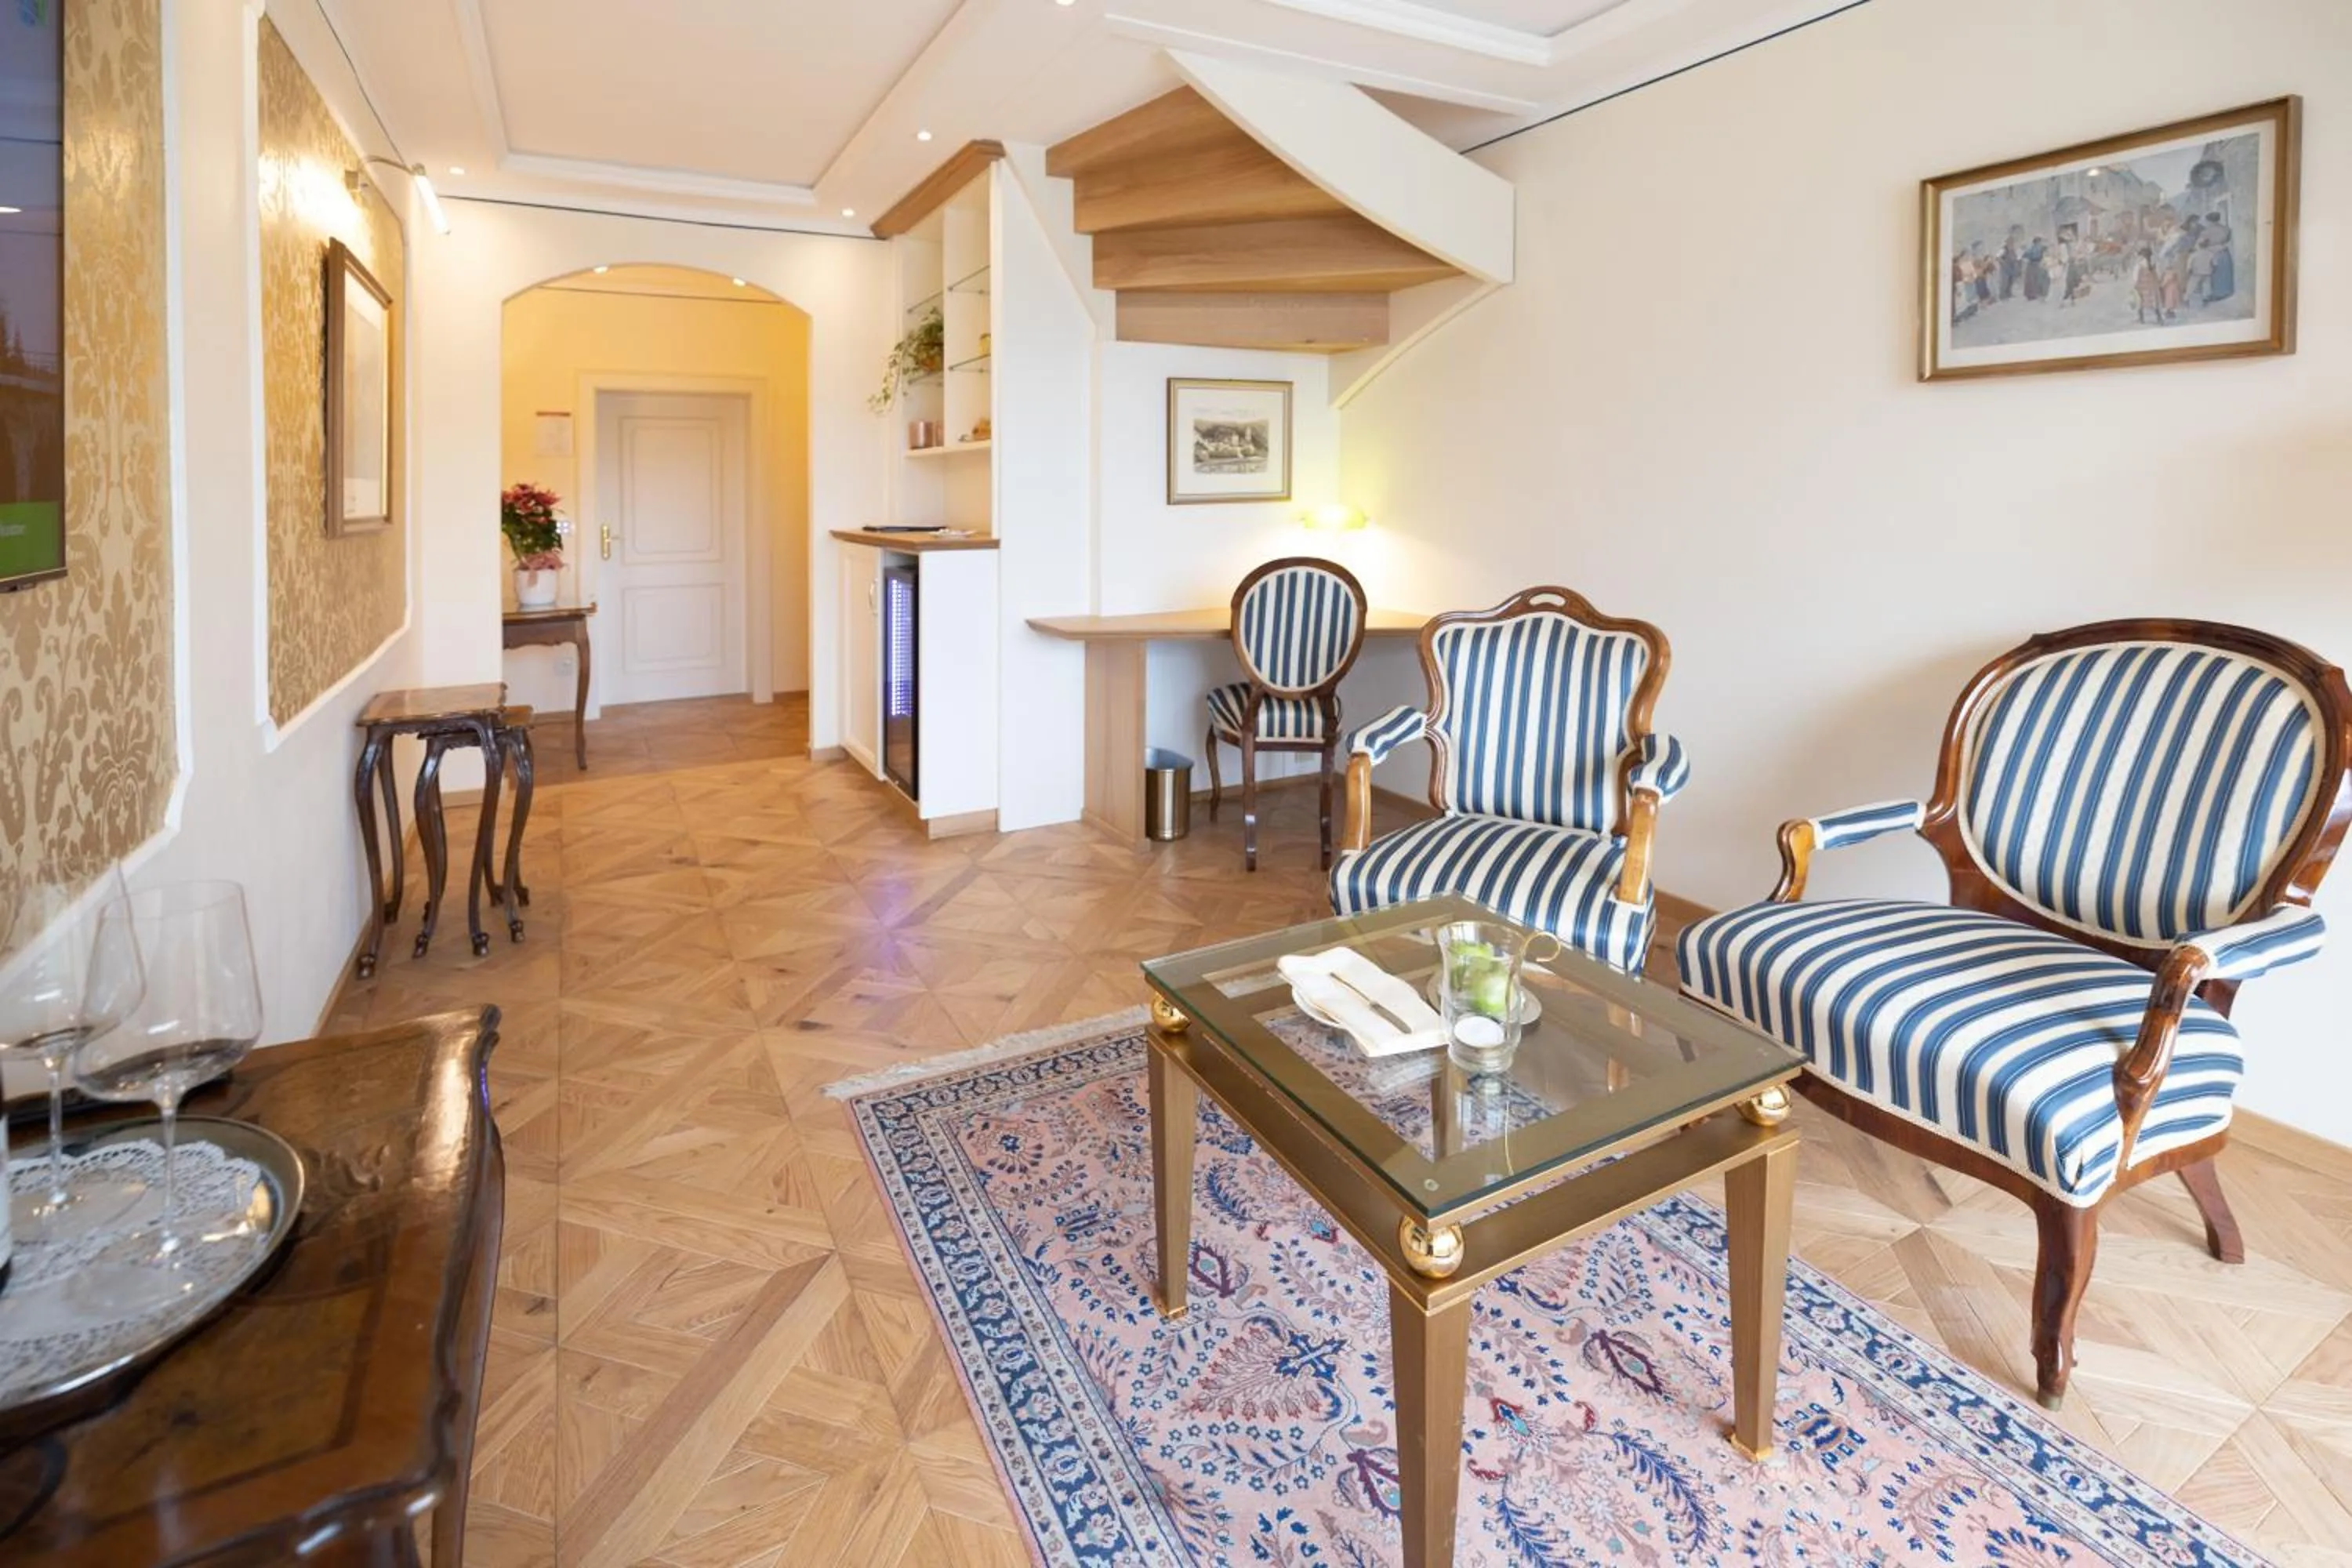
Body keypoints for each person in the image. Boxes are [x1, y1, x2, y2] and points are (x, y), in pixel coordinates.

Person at [2202, 211, 2235, 303]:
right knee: (2224, 272)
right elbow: (2228, 239)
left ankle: (2216, 293)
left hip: (2212, 253)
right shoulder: (2226, 229)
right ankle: (2226, 292)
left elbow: (2203, 243)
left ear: (2209, 220)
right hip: (2224, 252)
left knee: (2214, 273)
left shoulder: (2207, 231)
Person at [2132, 246, 2167, 323]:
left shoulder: (2140, 265)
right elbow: (2158, 274)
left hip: (2142, 286)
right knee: (2155, 302)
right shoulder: (2153, 264)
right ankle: (2159, 318)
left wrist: (2135, 284)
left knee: (2141, 302)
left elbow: (2136, 276)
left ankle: (2141, 318)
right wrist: (2158, 282)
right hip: (2152, 285)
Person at [2024, 236, 2049, 300]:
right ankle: (2034, 294)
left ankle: (2033, 294)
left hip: (2033, 264)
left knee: (2033, 280)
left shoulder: (2032, 247)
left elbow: (2025, 255)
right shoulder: (2035, 248)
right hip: (2035, 264)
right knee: (2034, 280)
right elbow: (2027, 255)